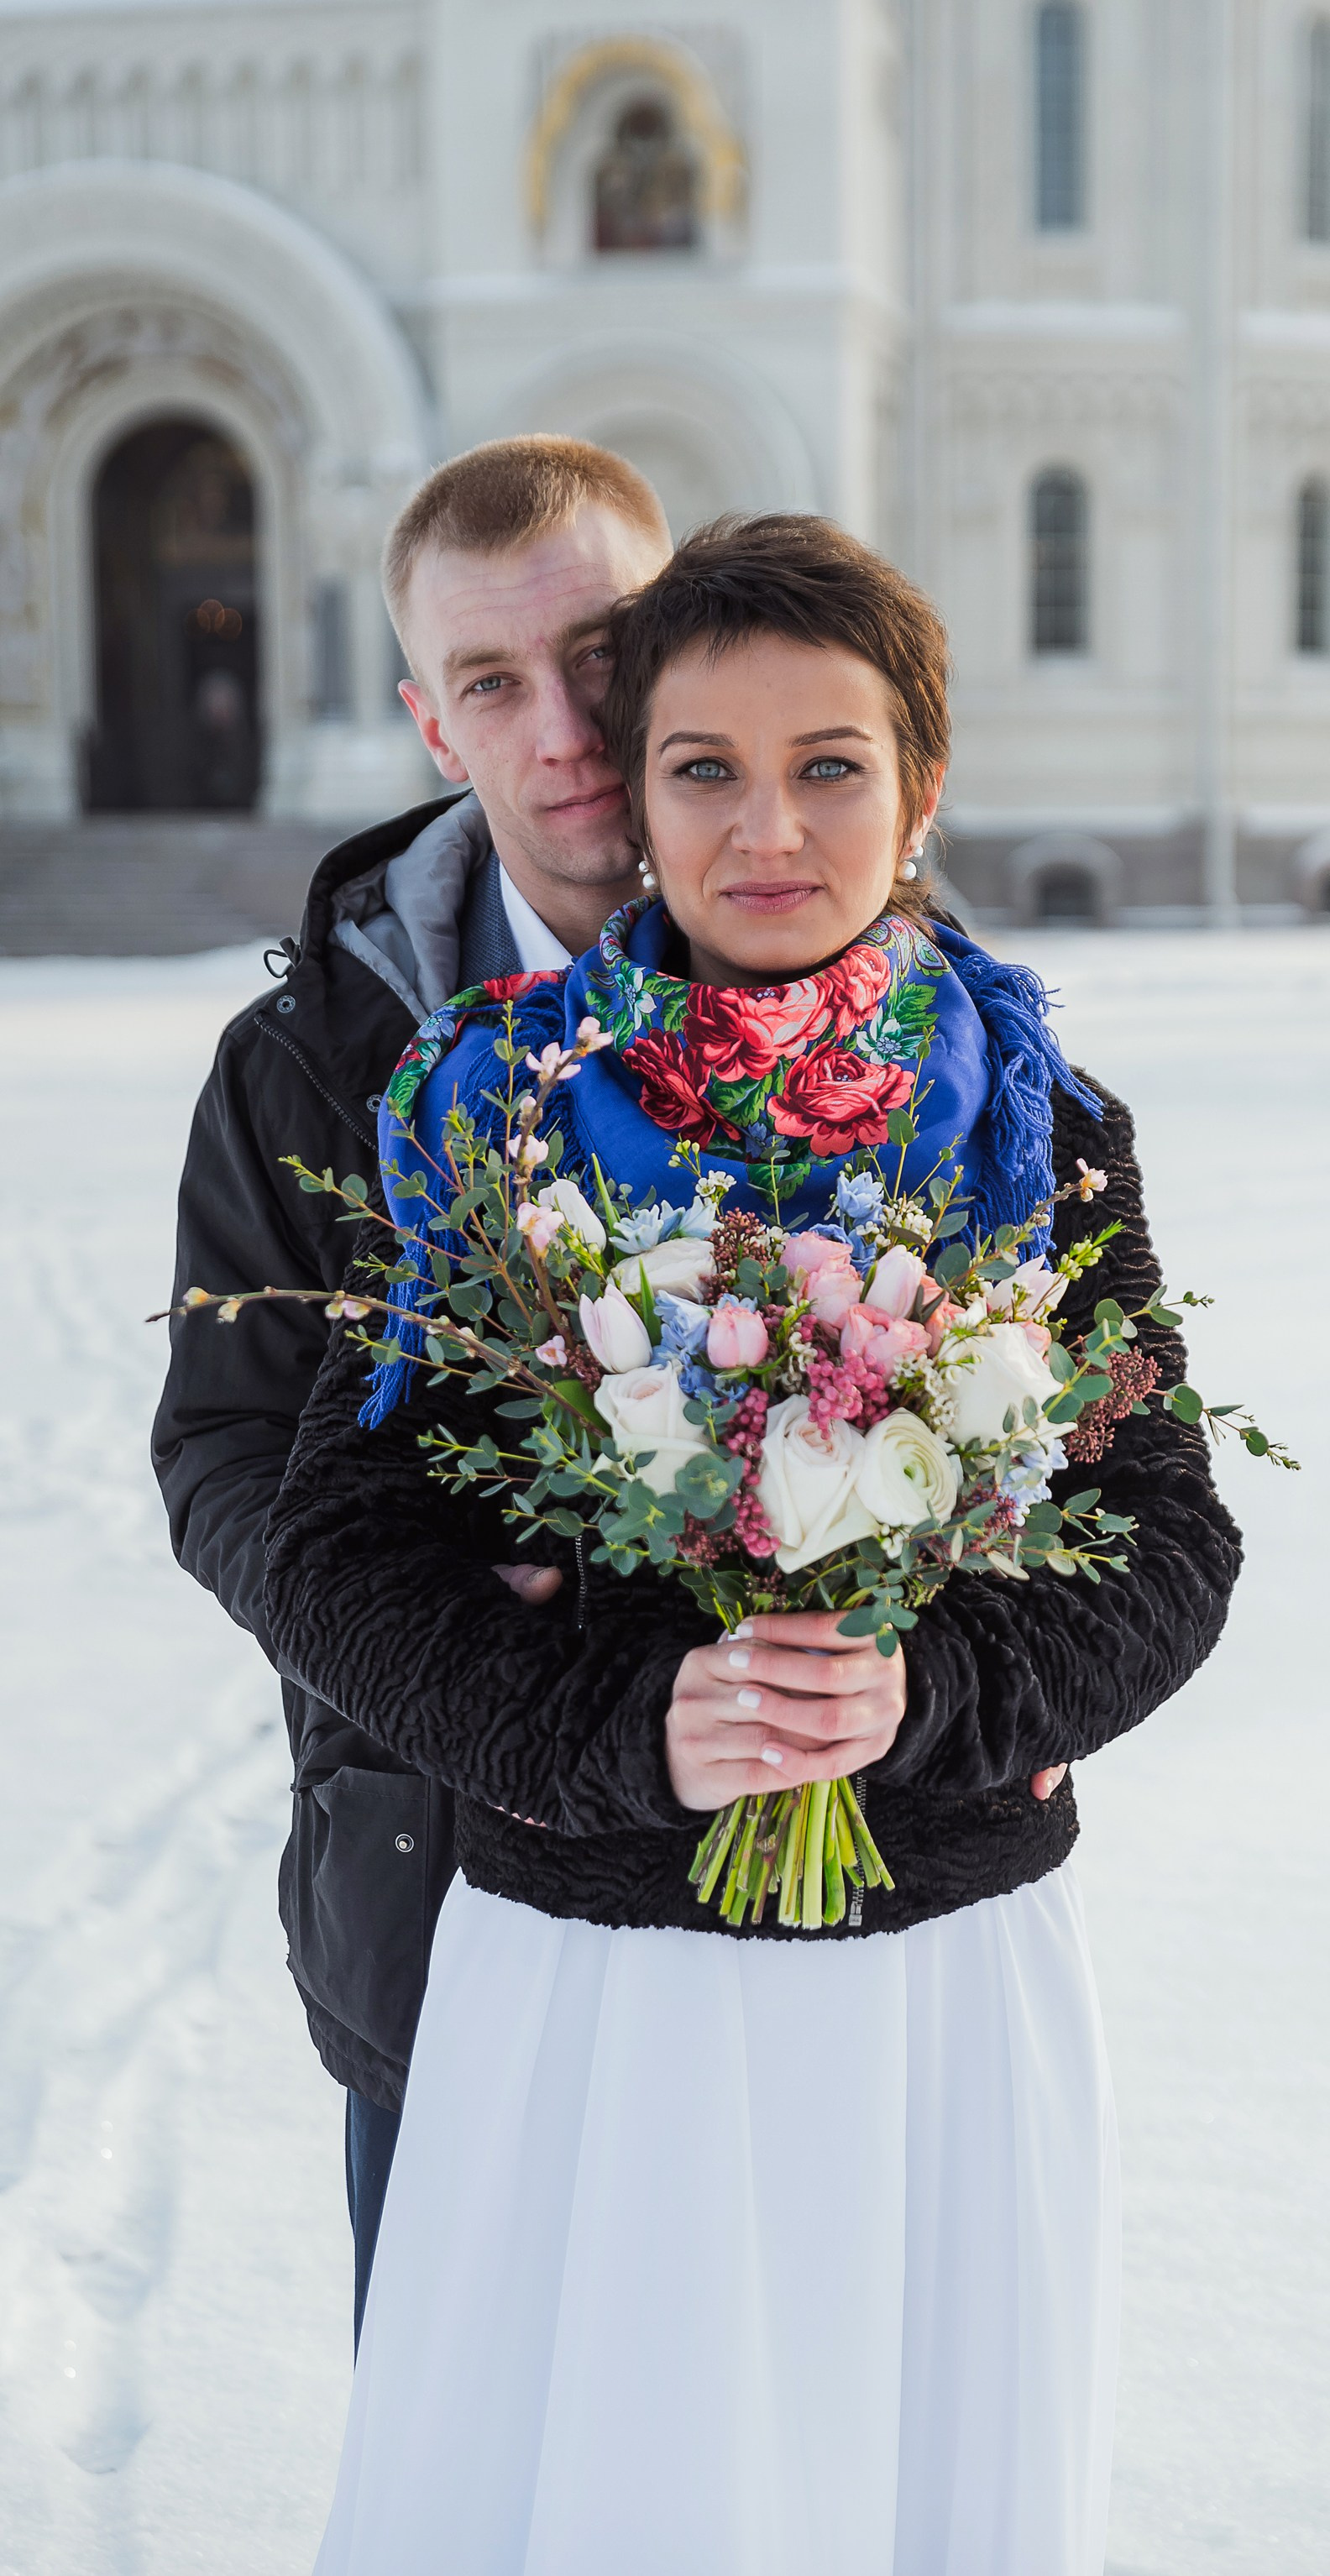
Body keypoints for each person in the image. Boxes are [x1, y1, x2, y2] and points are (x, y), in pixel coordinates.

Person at [263, 514, 1244, 2574]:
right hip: (597, 1978)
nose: (766, 825)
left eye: (830, 763)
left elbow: (1166, 1537)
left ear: (923, 786)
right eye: (704, 765)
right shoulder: (493, 1113)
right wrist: (636, 1726)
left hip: (938, 1975)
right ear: (635, 793)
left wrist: (937, 1691)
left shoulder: (1037, 1124)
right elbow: (343, 1547)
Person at [149, 436, 675, 2343]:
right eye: (492, 682)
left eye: (606, 653)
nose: (568, 728)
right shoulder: (302, 1062)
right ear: (429, 725)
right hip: (438, 1905)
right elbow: (217, 1448)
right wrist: (442, 1636)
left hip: (803, 1933)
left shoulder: (893, 1007)